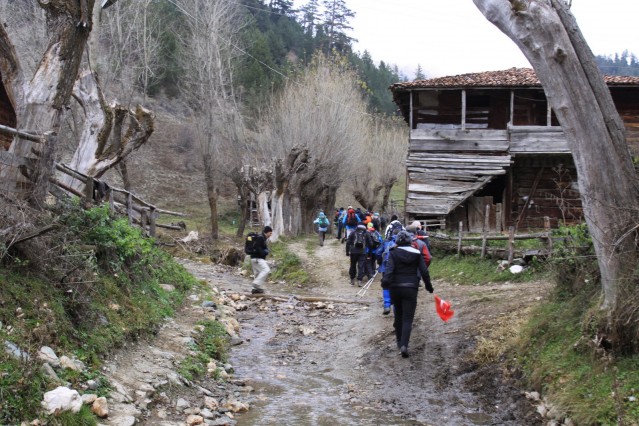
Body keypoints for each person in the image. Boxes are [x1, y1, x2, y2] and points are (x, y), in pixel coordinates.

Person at [381, 230, 433, 358]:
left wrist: (385, 283)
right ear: (410, 241)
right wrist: (428, 286)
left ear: (398, 241)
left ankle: (399, 343)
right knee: (408, 318)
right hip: (411, 288)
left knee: (398, 315)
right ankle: (404, 345)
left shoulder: (393, 253)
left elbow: (389, 270)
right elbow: (424, 272)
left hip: (395, 288)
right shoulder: (417, 254)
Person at [346, 222, 372, 286]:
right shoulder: (366, 233)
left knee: (353, 265)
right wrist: (369, 253)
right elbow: (371, 244)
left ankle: (352, 279)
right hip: (362, 252)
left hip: (353, 251)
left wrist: (347, 251)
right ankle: (359, 280)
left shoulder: (353, 232)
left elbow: (348, 242)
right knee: (361, 266)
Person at [250, 226, 273, 294]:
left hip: (254, 259)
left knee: (258, 274)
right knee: (266, 270)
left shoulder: (261, 237)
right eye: (270, 233)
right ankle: (255, 284)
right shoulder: (261, 238)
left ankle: (254, 290)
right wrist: (265, 252)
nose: (270, 235)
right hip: (258, 258)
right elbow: (258, 248)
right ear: (266, 232)